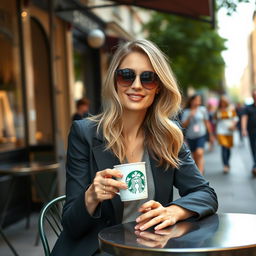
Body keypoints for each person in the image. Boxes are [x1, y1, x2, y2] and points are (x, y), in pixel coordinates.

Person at [51, 39, 218, 256]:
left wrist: (173, 212)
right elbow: (72, 226)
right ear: (114, 81)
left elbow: (205, 194)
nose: (136, 85)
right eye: (126, 75)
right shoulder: (85, 133)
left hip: (150, 249)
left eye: (148, 78)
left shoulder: (168, 135)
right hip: (99, 250)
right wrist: (92, 196)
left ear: (158, 87)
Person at [181, 94, 214, 174]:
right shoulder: (186, 111)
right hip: (191, 137)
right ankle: (200, 169)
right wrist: (189, 117)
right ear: (191, 101)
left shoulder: (202, 110)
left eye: (199, 100)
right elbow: (183, 125)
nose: (198, 101)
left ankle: (200, 173)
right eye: (196, 100)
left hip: (201, 135)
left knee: (199, 153)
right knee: (195, 156)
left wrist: (211, 135)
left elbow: (207, 122)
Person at [215, 96, 238, 173]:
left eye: (224, 102)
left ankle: (227, 163)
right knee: (224, 147)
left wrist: (233, 125)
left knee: (228, 148)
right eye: (222, 102)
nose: (223, 103)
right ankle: (225, 165)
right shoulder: (217, 110)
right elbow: (214, 121)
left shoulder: (231, 109)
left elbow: (236, 118)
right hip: (220, 131)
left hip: (229, 132)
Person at [241, 89, 256, 176]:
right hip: (252, 131)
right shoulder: (248, 107)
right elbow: (244, 118)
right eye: (254, 95)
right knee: (254, 148)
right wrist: (243, 129)